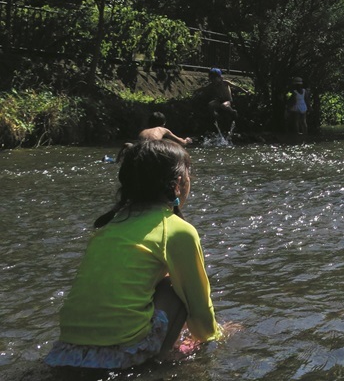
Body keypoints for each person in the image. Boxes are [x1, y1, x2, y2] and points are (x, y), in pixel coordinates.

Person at [45, 140, 223, 370]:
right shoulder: (177, 230)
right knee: (174, 287)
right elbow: (199, 307)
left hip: (67, 353)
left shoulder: (109, 226)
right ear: (178, 183)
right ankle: (158, 362)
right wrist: (215, 336)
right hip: (121, 356)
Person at [205, 68, 238, 136]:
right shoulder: (213, 84)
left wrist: (246, 91)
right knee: (210, 104)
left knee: (224, 106)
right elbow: (205, 88)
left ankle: (233, 112)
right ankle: (216, 116)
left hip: (228, 100)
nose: (213, 80)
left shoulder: (225, 83)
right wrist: (197, 91)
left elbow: (236, 86)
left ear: (220, 77)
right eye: (211, 79)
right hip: (219, 100)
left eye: (214, 78)